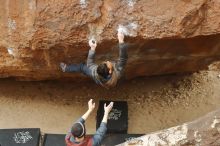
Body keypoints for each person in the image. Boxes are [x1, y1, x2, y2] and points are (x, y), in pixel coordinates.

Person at [60, 31, 128, 88]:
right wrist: (121, 40)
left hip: (97, 78)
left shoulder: (95, 72)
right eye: (107, 63)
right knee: (85, 68)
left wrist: (92, 48)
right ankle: (67, 69)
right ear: (110, 71)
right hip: (106, 80)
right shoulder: (118, 70)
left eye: (106, 63)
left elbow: (89, 64)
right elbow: (123, 58)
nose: (107, 61)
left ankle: (66, 68)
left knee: (82, 67)